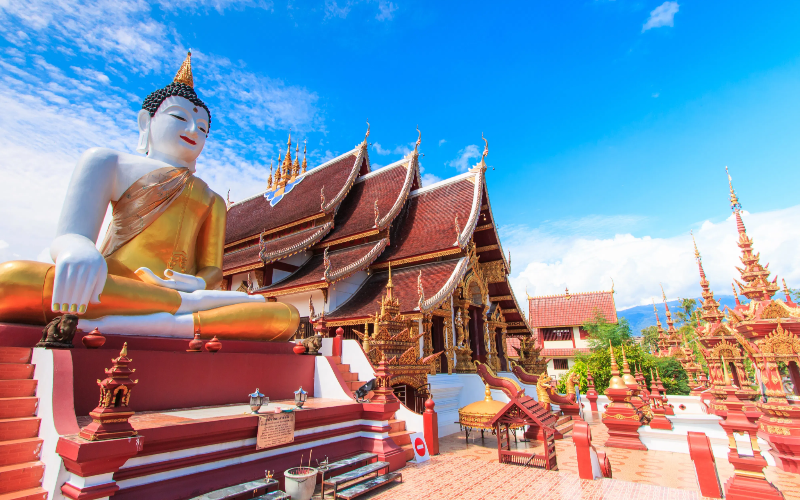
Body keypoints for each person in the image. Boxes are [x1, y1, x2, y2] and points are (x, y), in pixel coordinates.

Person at [0, 52, 298, 341]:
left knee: (284, 317)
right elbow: (72, 235)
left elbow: (213, 271)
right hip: (115, 284)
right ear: (146, 122)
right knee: (13, 282)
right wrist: (76, 250)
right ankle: (179, 316)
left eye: (203, 128)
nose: (193, 130)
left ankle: (168, 321)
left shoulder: (212, 199)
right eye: (179, 117)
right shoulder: (108, 162)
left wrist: (195, 283)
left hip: (176, 294)